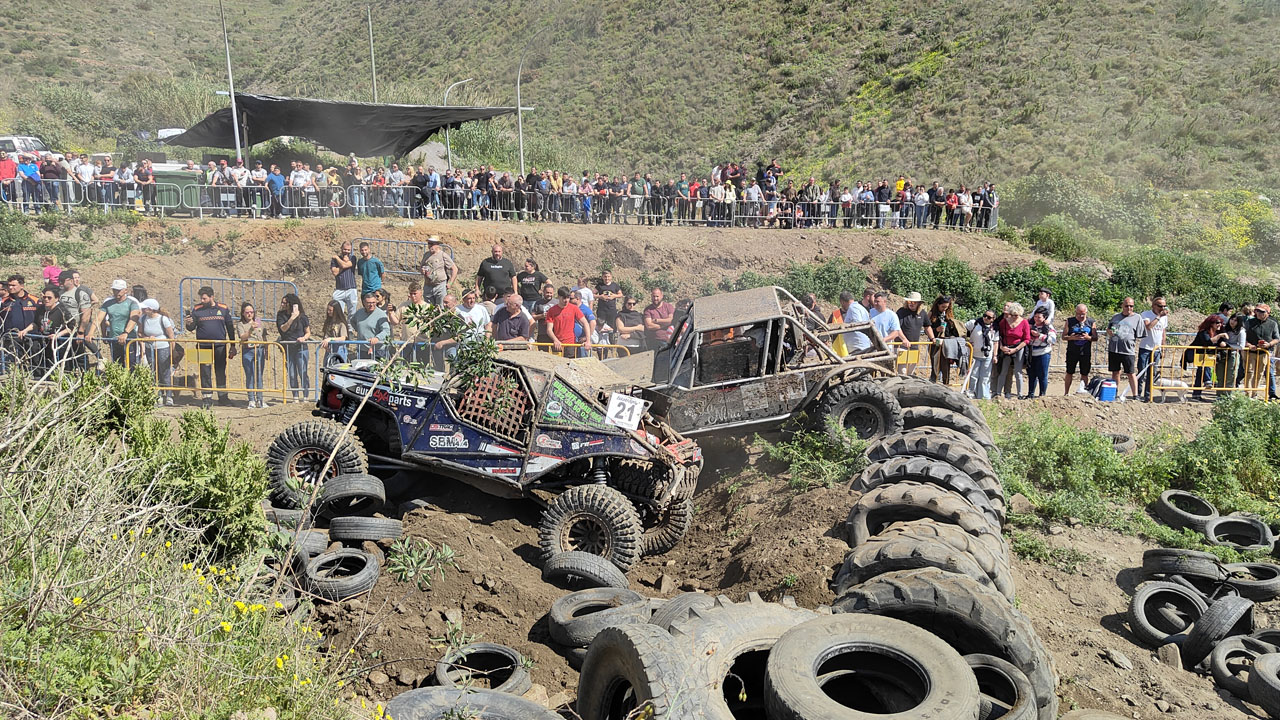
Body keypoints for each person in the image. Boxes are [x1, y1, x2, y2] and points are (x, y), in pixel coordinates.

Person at [185, 285, 235, 404]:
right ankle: (207, 398)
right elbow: (191, 328)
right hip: (203, 346)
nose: (202, 301)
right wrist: (188, 323)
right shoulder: (197, 309)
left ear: (212, 297)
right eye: (201, 299)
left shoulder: (223, 308)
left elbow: (230, 327)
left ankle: (223, 398)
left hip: (220, 346)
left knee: (220, 371)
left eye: (204, 298)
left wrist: (233, 345)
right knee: (205, 372)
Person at [18, 285, 75, 375]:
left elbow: (72, 327)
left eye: (49, 297)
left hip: (59, 343)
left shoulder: (62, 311)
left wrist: (58, 335)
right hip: (44, 340)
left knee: (56, 363)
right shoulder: (40, 309)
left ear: (56, 299)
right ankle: (39, 375)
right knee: (39, 355)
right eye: (44, 297)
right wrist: (25, 330)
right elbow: (36, 323)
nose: (46, 299)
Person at [1106, 297, 1146, 401]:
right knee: (1115, 372)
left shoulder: (1137, 318)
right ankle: (1114, 393)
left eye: (1131, 306)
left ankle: (1135, 395)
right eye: (1126, 305)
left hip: (1128, 350)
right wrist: (1109, 332)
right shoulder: (1115, 317)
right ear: (1122, 306)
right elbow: (1109, 329)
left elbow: (1140, 334)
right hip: (1114, 349)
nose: (1129, 308)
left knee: (1131, 373)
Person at [95, 279, 142, 366]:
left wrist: (125, 333)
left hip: (129, 339)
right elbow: (99, 319)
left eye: (119, 290)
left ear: (125, 290)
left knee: (131, 364)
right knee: (117, 363)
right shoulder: (108, 303)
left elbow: (134, 318)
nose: (116, 292)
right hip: (114, 338)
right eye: (114, 290)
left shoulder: (132, 302)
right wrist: (100, 334)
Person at [137, 298, 175, 406]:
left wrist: (172, 351)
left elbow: (171, 335)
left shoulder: (163, 319)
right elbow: (139, 333)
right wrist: (146, 337)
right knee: (154, 371)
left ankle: (168, 395)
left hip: (163, 347)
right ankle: (157, 395)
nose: (143, 310)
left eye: (145, 308)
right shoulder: (143, 319)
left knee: (165, 371)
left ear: (151, 309)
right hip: (150, 348)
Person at [276, 293, 311, 402]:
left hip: (301, 347)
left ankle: (305, 395)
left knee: (302, 372)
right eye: (282, 302)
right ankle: (295, 396)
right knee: (291, 373)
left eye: (285, 303)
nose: (283, 305)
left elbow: (308, 332)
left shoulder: (303, 316)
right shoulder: (281, 315)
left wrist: (304, 338)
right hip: (288, 348)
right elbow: (283, 329)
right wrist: (292, 318)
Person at [1189, 314, 1229, 401]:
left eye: (1221, 323)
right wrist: (1219, 337)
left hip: (1207, 355)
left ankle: (1196, 395)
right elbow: (1207, 341)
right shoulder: (1203, 332)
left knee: (1200, 373)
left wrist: (1223, 343)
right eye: (1217, 323)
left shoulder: (1217, 332)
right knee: (1203, 368)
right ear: (1211, 323)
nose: (1219, 325)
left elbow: (1220, 342)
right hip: (1197, 353)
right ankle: (1207, 380)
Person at [994, 302, 1029, 400]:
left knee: (1018, 372)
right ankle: (998, 393)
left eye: (1016, 315)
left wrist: (1015, 349)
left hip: (1018, 347)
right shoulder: (1004, 322)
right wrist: (1001, 347)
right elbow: (999, 336)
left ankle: (1020, 394)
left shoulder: (1024, 322)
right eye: (1012, 315)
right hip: (1006, 347)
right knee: (1003, 371)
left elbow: (1026, 339)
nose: (1014, 317)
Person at [1245, 303, 1280, 400]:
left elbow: (1277, 338)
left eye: (1262, 312)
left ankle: (1254, 393)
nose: (1259, 313)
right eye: (1257, 311)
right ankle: (1248, 394)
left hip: (1265, 352)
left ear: (1268, 313)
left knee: (1260, 373)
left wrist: (1268, 344)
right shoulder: (1249, 322)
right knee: (1249, 372)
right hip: (1251, 351)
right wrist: (1249, 345)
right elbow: (1243, 336)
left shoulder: (1273, 324)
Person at [1137, 296, 1169, 402]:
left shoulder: (1164, 318)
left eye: (1164, 306)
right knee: (1141, 372)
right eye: (1160, 306)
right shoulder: (1146, 314)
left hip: (1156, 349)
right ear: (1153, 305)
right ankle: (1137, 393)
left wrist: (1163, 347)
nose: (1162, 308)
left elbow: (1163, 333)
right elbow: (1148, 327)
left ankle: (1148, 395)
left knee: (1152, 374)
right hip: (1145, 348)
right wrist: (1159, 316)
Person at [238, 302, 268, 408]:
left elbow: (264, 336)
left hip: (259, 349)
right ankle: (251, 399)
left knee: (259, 375)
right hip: (248, 350)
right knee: (250, 375)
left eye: (251, 312)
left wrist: (266, 350)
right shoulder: (241, 324)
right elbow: (242, 337)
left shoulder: (259, 321)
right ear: (243, 313)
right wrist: (251, 329)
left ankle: (260, 399)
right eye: (247, 312)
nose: (250, 314)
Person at [546, 286, 591, 358]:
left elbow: (585, 323)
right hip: (558, 345)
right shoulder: (552, 310)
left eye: (568, 298)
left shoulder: (574, 308)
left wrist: (588, 340)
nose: (566, 300)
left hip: (571, 344)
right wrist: (555, 340)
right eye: (564, 298)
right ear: (559, 297)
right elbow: (549, 329)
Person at [926, 295, 962, 384]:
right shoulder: (931, 314)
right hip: (935, 342)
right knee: (935, 363)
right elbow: (926, 328)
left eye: (946, 307)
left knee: (946, 364)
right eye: (943, 307)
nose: (944, 309)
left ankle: (946, 383)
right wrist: (936, 329)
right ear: (938, 305)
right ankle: (933, 382)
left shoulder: (948, 314)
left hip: (946, 342)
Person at [1062, 304, 1097, 395]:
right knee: (1069, 372)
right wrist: (1072, 337)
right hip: (1072, 351)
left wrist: (1087, 337)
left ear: (1086, 312)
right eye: (1078, 314)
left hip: (1085, 352)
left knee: (1084, 373)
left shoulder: (1091, 321)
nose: (1081, 316)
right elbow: (1063, 337)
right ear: (1075, 312)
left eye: (1083, 314)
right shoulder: (1070, 321)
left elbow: (1095, 337)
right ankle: (1066, 393)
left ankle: (1084, 392)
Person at [965, 309, 997, 400]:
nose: (986, 318)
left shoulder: (994, 328)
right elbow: (962, 329)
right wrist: (966, 340)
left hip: (987, 355)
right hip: (974, 354)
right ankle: (971, 392)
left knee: (985, 377)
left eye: (989, 317)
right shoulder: (974, 323)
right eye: (984, 315)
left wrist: (995, 355)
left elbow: (995, 342)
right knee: (973, 375)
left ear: (993, 319)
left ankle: (983, 395)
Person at [1025, 308, 1057, 398]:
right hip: (1031, 353)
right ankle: (1030, 394)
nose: (1036, 319)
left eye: (1039, 317)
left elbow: (1052, 340)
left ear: (1044, 318)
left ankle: (1042, 395)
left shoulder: (1048, 327)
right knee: (1031, 375)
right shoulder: (1030, 326)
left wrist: (1039, 335)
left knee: (1042, 375)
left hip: (1043, 353)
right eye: (1035, 316)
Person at [352, 291, 392, 359]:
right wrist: (359, 331)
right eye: (369, 303)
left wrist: (377, 338)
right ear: (364, 303)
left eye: (373, 302)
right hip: (362, 350)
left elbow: (386, 331)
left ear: (376, 302)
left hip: (378, 351)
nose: (371, 305)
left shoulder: (381, 314)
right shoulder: (359, 313)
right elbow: (353, 322)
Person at [895, 292, 928, 375]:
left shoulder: (923, 313)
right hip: (902, 346)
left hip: (914, 346)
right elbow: (897, 328)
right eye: (910, 302)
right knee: (902, 371)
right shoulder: (901, 312)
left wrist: (933, 338)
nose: (911, 304)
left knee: (910, 372)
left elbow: (928, 326)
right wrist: (904, 339)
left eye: (914, 302)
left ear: (919, 303)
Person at [420, 236, 457, 306]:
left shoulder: (443, 255)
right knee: (428, 308)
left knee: (441, 306)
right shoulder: (426, 255)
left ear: (437, 245)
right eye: (429, 243)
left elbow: (454, 269)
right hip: (428, 286)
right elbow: (421, 267)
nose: (430, 246)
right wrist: (422, 271)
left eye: (432, 244)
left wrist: (451, 283)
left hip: (440, 286)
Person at [330, 241, 359, 322]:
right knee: (337, 312)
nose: (346, 251)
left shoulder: (353, 258)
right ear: (341, 249)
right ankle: (339, 329)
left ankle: (350, 329)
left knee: (352, 312)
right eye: (345, 249)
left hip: (351, 288)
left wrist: (338, 259)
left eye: (348, 250)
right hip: (339, 289)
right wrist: (343, 262)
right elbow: (335, 272)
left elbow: (344, 265)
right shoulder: (334, 260)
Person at [1221, 313, 1247, 394]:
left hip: (1233, 353)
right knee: (1220, 375)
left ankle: (1228, 395)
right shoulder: (1224, 328)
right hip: (1221, 353)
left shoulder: (1241, 331)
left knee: (1231, 375)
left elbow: (1241, 346)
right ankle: (1219, 394)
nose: (1232, 322)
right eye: (1232, 319)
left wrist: (1229, 346)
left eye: (1235, 320)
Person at [319, 300, 351, 367]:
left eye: (331, 310)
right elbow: (325, 336)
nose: (328, 312)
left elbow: (343, 338)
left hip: (339, 351)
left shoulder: (341, 324)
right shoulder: (328, 323)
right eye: (328, 310)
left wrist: (331, 339)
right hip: (329, 351)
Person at [595, 271, 623, 342]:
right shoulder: (600, 285)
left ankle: (612, 343)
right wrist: (600, 296)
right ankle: (601, 343)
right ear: (602, 277)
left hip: (611, 309)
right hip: (602, 310)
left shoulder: (614, 285)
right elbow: (592, 294)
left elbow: (620, 294)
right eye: (605, 277)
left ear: (611, 277)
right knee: (601, 326)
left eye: (608, 276)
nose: (607, 278)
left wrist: (614, 296)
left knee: (612, 327)